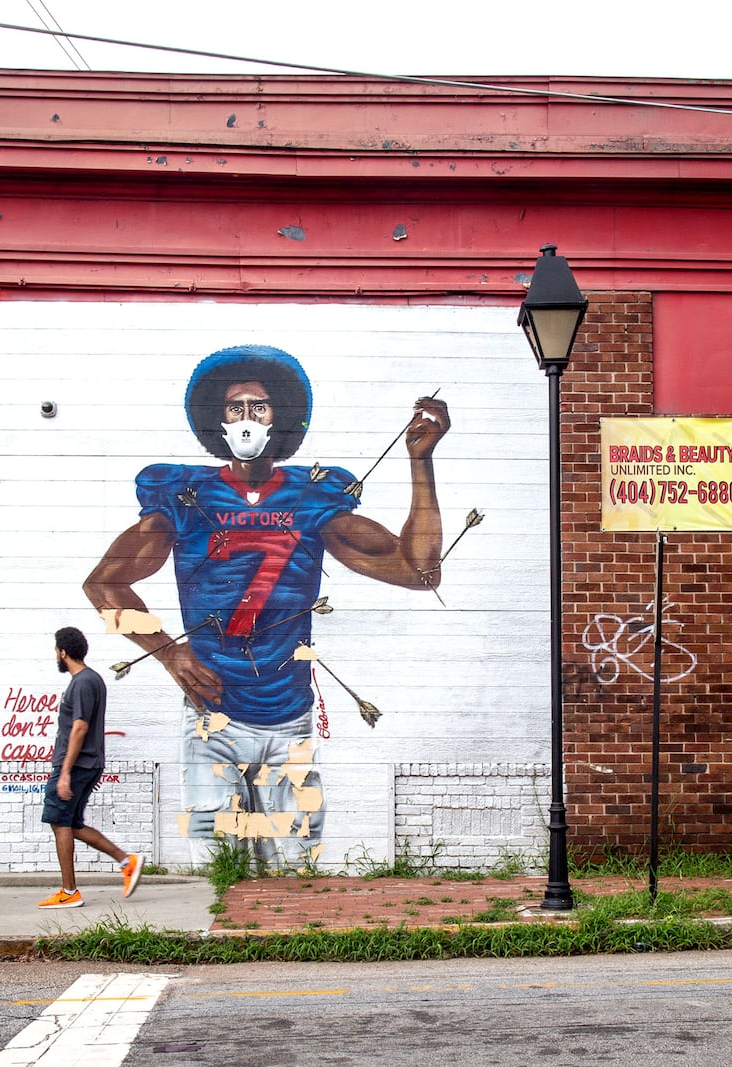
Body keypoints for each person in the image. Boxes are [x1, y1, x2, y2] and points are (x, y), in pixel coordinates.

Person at [83, 344, 450, 868]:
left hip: (289, 717)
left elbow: (419, 571)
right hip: (212, 716)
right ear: (219, 420)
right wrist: (166, 652)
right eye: (237, 408)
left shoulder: (312, 497)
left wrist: (421, 461)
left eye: (260, 406)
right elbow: (104, 585)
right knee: (220, 871)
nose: (248, 419)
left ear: (279, 418)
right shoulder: (187, 494)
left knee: (296, 868)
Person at [38, 625, 143, 909]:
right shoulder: (91, 680)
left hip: (76, 764)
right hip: (86, 764)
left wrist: (66, 773)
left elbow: (80, 727)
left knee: (59, 823)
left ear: (63, 652)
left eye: (56, 652)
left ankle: (69, 891)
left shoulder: (83, 682)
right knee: (71, 824)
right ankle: (126, 860)